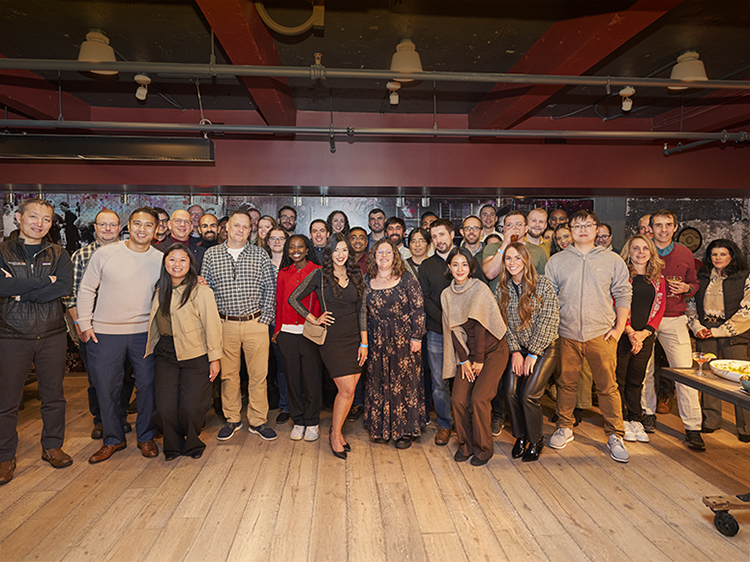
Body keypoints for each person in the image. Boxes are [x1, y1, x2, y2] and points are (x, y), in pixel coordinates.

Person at [545, 210, 632, 463]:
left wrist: (618, 328)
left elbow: (623, 294)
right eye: (577, 225)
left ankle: (615, 434)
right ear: (570, 230)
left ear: (596, 229)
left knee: (607, 386)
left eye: (588, 225)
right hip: (566, 333)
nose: (583, 230)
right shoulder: (557, 261)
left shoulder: (613, 260)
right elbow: (549, 298)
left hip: (601, 333)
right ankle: (565, 426)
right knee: (566, 383)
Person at [78, 207, 164, 463]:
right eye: (137, 224)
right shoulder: (105, 254)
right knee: (106, 388)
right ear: (129, 225)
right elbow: (86, 290)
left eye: (149, 225)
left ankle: (145, 436)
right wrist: (85, 324)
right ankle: (113, 439)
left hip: (144, 334)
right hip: (105, 333)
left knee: (148, 386)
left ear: (156, 230)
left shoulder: (160, 259)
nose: (142, 229)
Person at [0, 198, 74, 484]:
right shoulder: (3, 250)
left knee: (54, 397)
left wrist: (19, 291)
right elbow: (2, 287)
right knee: (7, 401)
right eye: (33, 217)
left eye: (46, 219)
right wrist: (47, 282)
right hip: (11, 334)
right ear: (18, 217)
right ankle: (5, 456)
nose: (39, 224)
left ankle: (53, 446)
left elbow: (64, 287)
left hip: (52, 334)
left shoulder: (58, 253)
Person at [201, 209, 278, 442]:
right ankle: (232, 418)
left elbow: (270, 289)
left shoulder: (260, 255)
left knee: (258, 375)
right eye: (237, 226)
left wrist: (264, 320)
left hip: (255, 323)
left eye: (246, 227)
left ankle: (257, 420)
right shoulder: (212, 255)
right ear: (227, 228)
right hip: (224, 324)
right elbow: (205, 291)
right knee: (229, 376)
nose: (241, 230)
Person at [290, 233, 367, 458]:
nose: (341, 255)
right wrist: (314, 318)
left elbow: (361, 309)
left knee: (350, 389)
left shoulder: (356, 274)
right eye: (336, 250)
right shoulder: (319, 275)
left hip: (354, 338)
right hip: (332, 340)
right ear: (329, 253)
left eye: (344, 250)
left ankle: (339, 433)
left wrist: (364, 342)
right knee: (346, 389)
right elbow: (293, 298)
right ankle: (334, 435)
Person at [145, 244, 222, 460]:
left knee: (190, 406)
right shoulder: (160, 289)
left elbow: (212, 325)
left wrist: (214, 358)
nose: (177, 265)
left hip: (195, 353)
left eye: (182, 260)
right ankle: (173, 445)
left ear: (190, 265)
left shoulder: (201, 291)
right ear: (165, 263)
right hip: (165, 354)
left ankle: (193, 441)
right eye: (172, 260)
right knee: (166, 406)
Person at [65, 209, 134, 440]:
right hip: (93, 329)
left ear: (119, 228)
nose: (107, 229)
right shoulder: (81, 256)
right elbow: (71, 296)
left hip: (123, 328)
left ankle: (120, 417)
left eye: (112, 225)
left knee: (124, 377)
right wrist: (80, 324)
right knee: (97, 379)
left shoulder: (130, 254)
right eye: (102, 225)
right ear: (95, 228)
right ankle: (101, 421)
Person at [641, 210, 705, 450]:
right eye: (658, 225)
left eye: (668, 225)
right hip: (645, 319)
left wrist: (687, 287)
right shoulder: (643, 250)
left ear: (675, 227)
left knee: (684, 373)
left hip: (674, 317)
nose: (663, 230)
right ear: (651, 228)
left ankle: (693, 428)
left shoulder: (685, 253)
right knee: (645, 370)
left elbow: (695, 284)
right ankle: (647, 413)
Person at [442, 247, 508, 466]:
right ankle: (466, 445)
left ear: (471, 267)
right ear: (449, 267)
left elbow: (480, 327)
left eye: (464, 264)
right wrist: (464, 361)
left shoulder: (479, 289)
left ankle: (483, 449)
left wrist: (478, 360)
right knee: (458, 400)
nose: (460, 269)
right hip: (468, 355)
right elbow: (452, 331)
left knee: (479, 399)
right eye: (455, 264)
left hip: (492, 352)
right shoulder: (447, 295)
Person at [498, 243, 559, 462]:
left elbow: (549, 322)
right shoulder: (502, 287)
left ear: (526, 261)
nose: (512, 263)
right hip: (518, 350)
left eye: (517, 258)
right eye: (508, 259)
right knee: (510, 392)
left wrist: (532, 353)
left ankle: (536, 439)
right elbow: (502, 324)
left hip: (544, 349)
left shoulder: (542, 285)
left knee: (528, 395)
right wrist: (515, 351)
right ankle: (521, 437)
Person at [688, 239, 750, 442]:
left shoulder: (744, 277)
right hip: (705, 330)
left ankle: (746, 426)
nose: (718, 258)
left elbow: (747, 311)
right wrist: (697, 327)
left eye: (723, 254)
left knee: (739, 380)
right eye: (714, 254)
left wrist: (720, 331)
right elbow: (690, 304)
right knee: (707, 378)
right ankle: (711, 420)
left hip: (733, 334)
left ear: (732, 256)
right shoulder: (702, 276)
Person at [366, 238, 425, 448]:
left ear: (395, 256)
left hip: (403, 338)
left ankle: (404, 431)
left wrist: (417, 336)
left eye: (388, 252)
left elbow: (418, 308)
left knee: (404, 383)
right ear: (374, 256)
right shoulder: (367, 280)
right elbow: (362, 312)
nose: (383, 256)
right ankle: (381, 428)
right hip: (377, 338)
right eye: (380, 252)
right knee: (379, 381)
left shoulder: (407, 278)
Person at [616, 235, 666, 444]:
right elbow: (615, 302)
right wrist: (629, 332)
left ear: (651, 252)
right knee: (619, 380)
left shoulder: (658, 279)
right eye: (635, 248)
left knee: (637, 380)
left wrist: (644, 333)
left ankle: (635, 419)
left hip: (645, 336)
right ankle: (620, 421)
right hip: (622, 334)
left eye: (645, 248)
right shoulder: (620, 276)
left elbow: (660, 308)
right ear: (629, 252)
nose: (640, 252)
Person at [275, 235, 325, 440]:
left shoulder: (317, 271)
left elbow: (322, 301)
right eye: (292, 247)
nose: (296, 250)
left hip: (309, 332)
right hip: (286, 333)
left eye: (300, 247)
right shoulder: (283, 273)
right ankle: (298, 420)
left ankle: (312, 421)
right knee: (292, 379)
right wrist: (277, 331)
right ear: (287, 251)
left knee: (311, 379)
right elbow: (279, 302)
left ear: (307, 249)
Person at [418, 219, 456, 445]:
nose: (439, 240)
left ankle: (464, 422)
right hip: (436, 332)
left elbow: (476, 293)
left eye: (442, 234)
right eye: (434, 237)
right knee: (439, 382)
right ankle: (444, 424)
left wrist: (458, 322)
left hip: (464, 333)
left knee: (464, 379)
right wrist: (443, 319)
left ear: (452, 234)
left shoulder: (464, 260)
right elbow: (424, 298)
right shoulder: (426, 265)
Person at [266, 227, 290, 423]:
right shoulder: (261, 263)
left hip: (286, 322)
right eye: (273, 238)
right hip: (264, 321)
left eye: (281, 238)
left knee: (285, 365)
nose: (276, 241)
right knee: (264, 366)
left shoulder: (292, 264)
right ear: (267, 242)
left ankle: (286, 405)